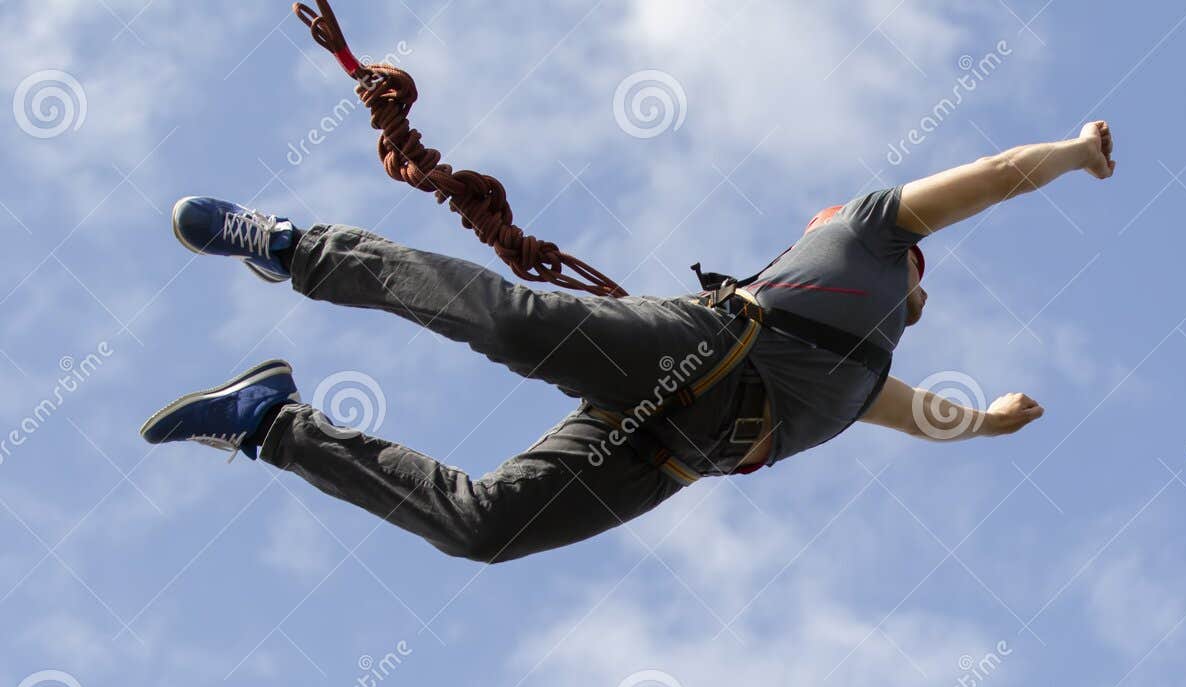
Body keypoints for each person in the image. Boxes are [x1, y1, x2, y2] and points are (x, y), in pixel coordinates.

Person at [140, 121, 1115, 564]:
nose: (916, 299)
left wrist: (988, 422)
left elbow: (929, 417)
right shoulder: (863, 231)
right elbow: (990, 175)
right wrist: (1074, 153)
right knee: (512, 325)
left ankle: (272, 420)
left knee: (487, 529)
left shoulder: (869, 381)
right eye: (918, 285)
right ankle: (294, 247)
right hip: (699, 353)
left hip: (663, 451)